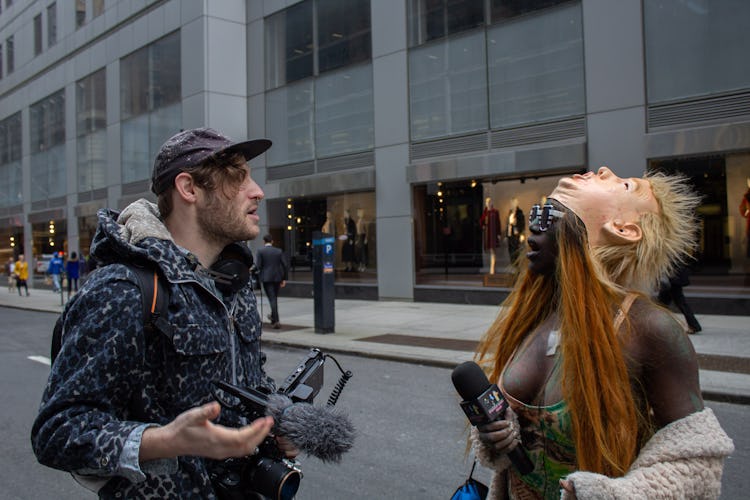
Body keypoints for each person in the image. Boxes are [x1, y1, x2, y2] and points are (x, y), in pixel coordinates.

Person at [31, 127, 298, 497]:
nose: (257, 191)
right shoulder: (121, 290)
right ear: (189, 189)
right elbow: (57, 432)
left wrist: (277, 419)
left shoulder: (234, 285)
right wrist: (165, 440)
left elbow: (247, 382)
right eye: (238, 178)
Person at [471, 167, 733, 499]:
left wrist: (613, 494)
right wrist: (498, 434)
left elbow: (696, 462)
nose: (604, 170)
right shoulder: (539, 315)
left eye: (625, 184)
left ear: (623, 229)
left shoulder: (649, 329)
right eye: (540, 215)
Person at [657, 261, 702, 334]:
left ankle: (694, 325)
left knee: (679, 303)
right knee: (661, 304)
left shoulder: (670, 253)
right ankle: (659, 325)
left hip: (673, 279)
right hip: (673, 279)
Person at [255, 234, 289, 329]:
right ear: (272, 241)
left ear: (264, 241)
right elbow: (285, 265)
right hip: (277, 278)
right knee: (274, 298)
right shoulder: (278, 251)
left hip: (266, 278)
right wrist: (284, 278)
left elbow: (258, 266)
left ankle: (276, 320)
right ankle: (274, 318)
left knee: (272, 299)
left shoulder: (261, 251)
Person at [480, 197, 502, 274]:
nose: (488, 203)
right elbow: (481, 222)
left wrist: (499, 234)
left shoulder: (495, 212)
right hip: (488, 234)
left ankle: (492, 268)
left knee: (493, 251)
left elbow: (498, 223)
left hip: (493, 234)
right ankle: (492, 268)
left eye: (489, 202)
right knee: (491, 251)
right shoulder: (485, 212)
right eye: (487, 202)